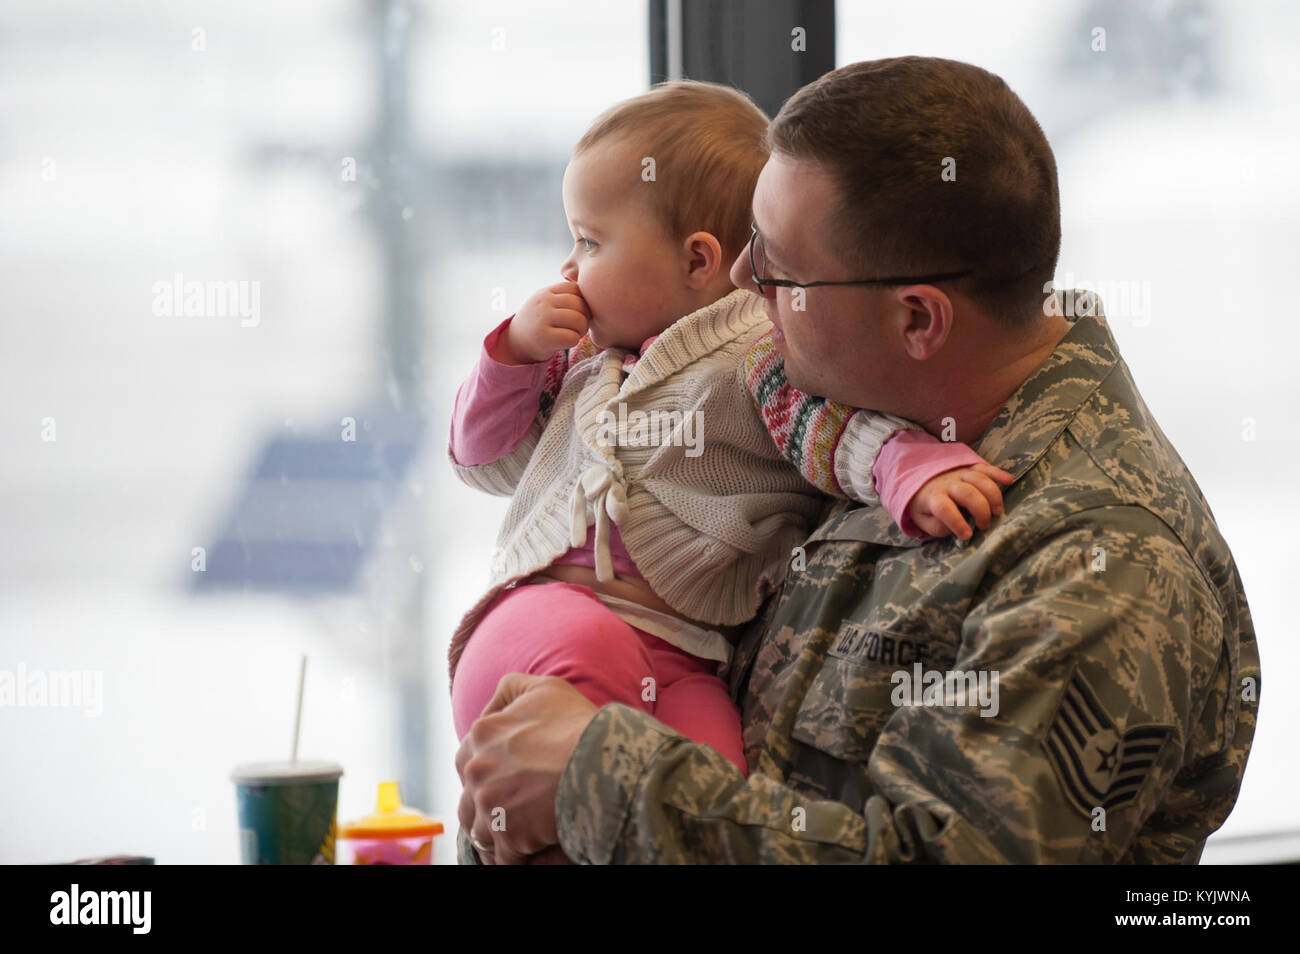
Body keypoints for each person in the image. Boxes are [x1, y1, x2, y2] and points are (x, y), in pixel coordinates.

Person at [454, 57, 1261, 865]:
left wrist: (598, 777)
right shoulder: (855, 416)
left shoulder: (1103, 566)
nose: (739, 280)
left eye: (775, 264)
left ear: (917, 319)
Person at [448, 81, 1012, 787]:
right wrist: (511, 358)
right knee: (589, 693)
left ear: (697, 261)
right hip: (544, 614)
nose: (568, 268)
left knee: (713, 786)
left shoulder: (755, 360)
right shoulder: (579, 363)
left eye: (589, 242)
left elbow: (831, 430)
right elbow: (485, 458)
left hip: (687, 658)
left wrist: (913, 469)